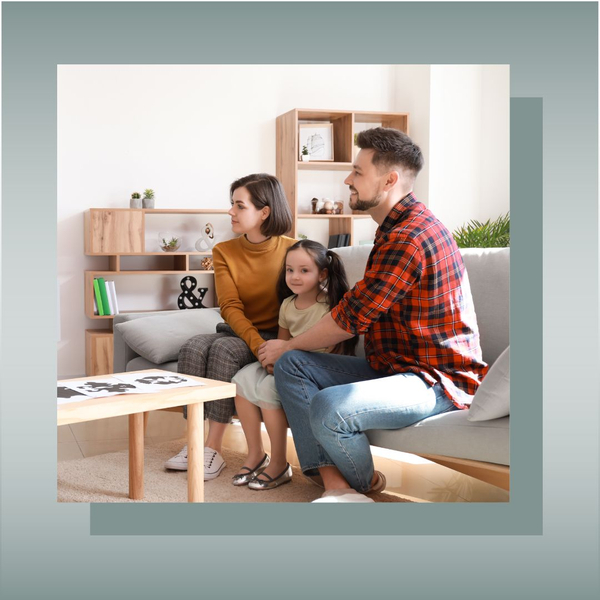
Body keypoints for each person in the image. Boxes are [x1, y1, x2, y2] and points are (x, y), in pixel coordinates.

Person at [258, 127, 488, 503]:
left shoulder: (409, 237)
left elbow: (351, 318)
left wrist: (285, 345)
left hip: (434, 379)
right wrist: (289, 351)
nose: (348, 179)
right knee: (293, 365)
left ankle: (361, 485)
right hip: (393, 367)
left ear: (390, 179)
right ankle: (336, 485)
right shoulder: (391, 228)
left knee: (330, 407)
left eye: (358, 172)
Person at [164, 173, 295, 479]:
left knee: (222, 349)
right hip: (243, 332)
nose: (230, 212)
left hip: (277, 335)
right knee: (193, 347)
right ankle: (195, 442)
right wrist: (256, 345)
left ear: (264, 212)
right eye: (231, 204)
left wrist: (271, 346)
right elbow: (230, 307)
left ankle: (212, 449)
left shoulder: (294, 249)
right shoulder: (224, 251)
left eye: (239, 205)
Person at [230, 240, 357, 490]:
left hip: (314, 369)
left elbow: (332, 352)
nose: (295, 277)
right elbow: (282, 343)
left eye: (304, 270)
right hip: (287, 362)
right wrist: (270, 360)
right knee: (241, 381)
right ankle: (255, 453)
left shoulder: (329, 307)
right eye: (290, 270)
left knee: (268, 389)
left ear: (322, 273)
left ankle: (279, 463)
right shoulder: (288, 305)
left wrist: (283, 363)